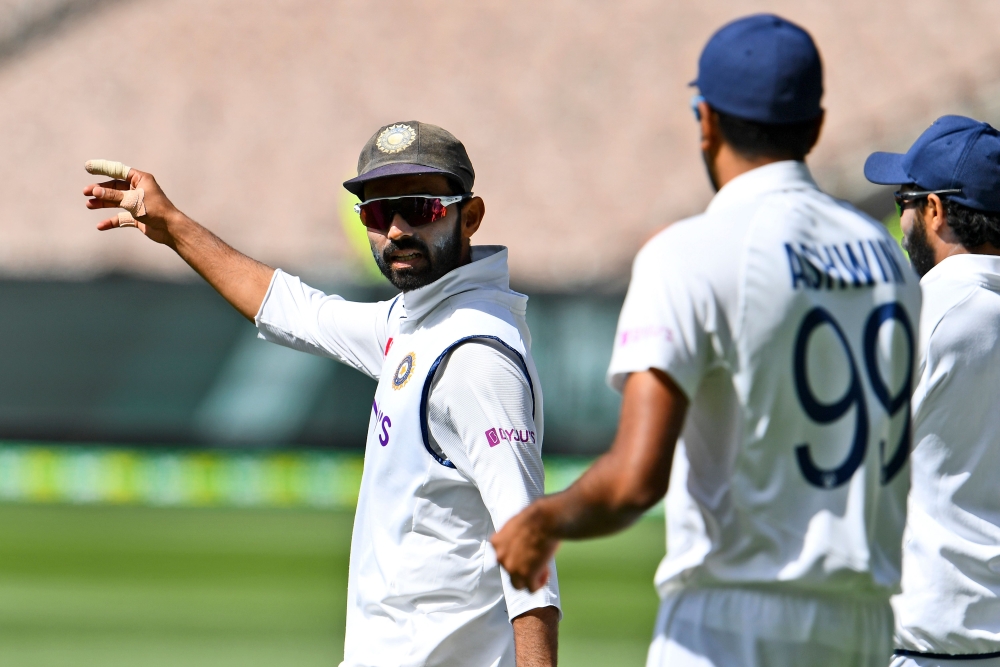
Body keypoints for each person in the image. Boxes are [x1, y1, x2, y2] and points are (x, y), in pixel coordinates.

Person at [492, 14, 921, 667]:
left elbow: (635, 481)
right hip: (861, 624)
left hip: (730, 624)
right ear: (815, 125)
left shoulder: (688, 253)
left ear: (707, 120)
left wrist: (544, 519)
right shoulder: (887, 259)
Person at [81, 121, 560, 667]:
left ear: (467, 216)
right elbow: (296, 310)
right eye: (379, 214)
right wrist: (172, 226)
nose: (397, 230)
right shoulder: (418, 323)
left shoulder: (475, 357)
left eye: (420, 209)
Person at [864, 116, 1000, 667]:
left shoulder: (918, 313)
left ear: (937, 209)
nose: (902, 218)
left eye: (906, 199)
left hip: (922, 643)